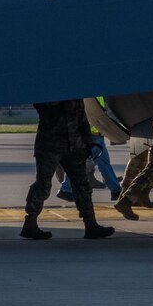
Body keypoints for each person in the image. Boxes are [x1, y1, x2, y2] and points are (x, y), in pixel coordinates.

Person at [23, 99, 113, 240]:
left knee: (82, 184)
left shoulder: (75, 94)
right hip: (50, 144)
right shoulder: (48, 94)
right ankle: (30, 223)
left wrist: (88, 141)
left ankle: (91, 224)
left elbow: (82, 118)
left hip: (74, 145)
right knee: (43, 184)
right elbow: (41, 106)